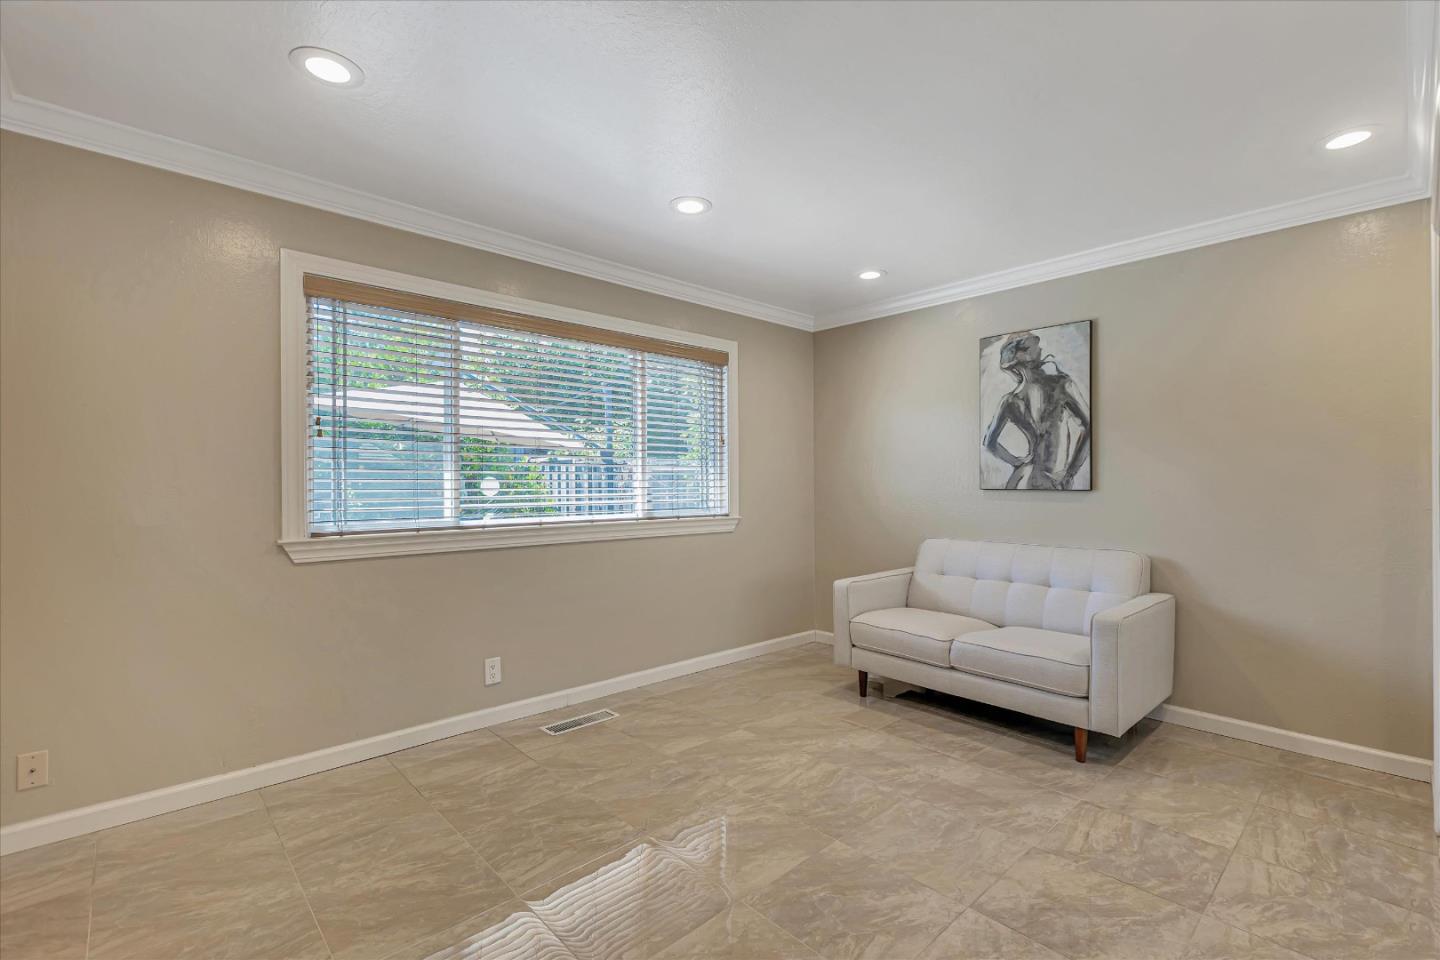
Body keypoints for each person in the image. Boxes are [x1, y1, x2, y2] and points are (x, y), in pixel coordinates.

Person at [982, 331, 1090, 490]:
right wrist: (1070, 473)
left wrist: (1017, 463)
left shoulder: (1010, 400)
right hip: (1053, 479)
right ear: (1023, 356)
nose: (1040, 350)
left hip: (1026, 477)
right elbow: (1088, 427)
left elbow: (989, 442)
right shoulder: (1062, 385)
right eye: (1034, 347)